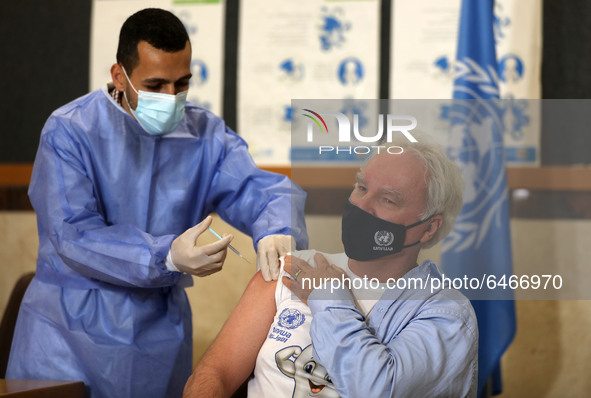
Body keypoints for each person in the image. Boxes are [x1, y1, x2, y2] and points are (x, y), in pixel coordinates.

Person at [6, 8, 307, 398]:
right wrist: (165, 256)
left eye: (182, 83)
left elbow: (261, 190)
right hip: (65, 336)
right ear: (120, 76)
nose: (171, 98)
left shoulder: (205, 136)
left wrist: (277, 228)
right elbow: (73, 234)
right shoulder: (70, 130)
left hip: (157, 342)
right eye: (155, 84)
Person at [183, 137, 478, 397]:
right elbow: (215, 374)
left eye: (388, 199)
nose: (363, 206)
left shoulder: (445, 314)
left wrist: (327, 296)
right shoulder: (294, 268)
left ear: (428, 229)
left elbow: (377, 389)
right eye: (361, 187)